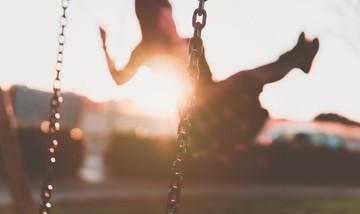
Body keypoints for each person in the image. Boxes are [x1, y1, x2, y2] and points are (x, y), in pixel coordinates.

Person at [99, 0, 319, 159]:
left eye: (169, 9)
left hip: (212, 96)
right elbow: (119, 79)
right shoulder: (146, 50)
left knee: (247, 78)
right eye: (163, 11)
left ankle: (295, 58)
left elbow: (207, 79)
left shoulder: (191, 42)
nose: (170, 16)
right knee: (246, 79)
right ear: (152, 19)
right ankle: (295, 59)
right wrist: (104, 45)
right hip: (194, 110)